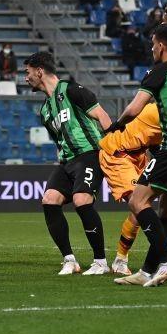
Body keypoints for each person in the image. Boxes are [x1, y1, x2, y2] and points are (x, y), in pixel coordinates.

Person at [106, 24, 167, 285]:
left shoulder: (160, 71)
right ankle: (148, 271)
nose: (151, 49)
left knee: (138, 202)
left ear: (160, 45)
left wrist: (116, 125)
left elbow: (135, 108)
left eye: (152, 44)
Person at [25, 51, 112, 275]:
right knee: (49, 200)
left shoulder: (72, 90)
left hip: (89, 154)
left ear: (39, 71)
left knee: (82, 201)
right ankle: (70, 260)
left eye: (27, 72)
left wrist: (112, 150)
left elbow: (104, 118)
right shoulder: (45, 111)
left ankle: (100, 262)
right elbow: (59, 140)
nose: (26, 78)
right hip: (67, 161)